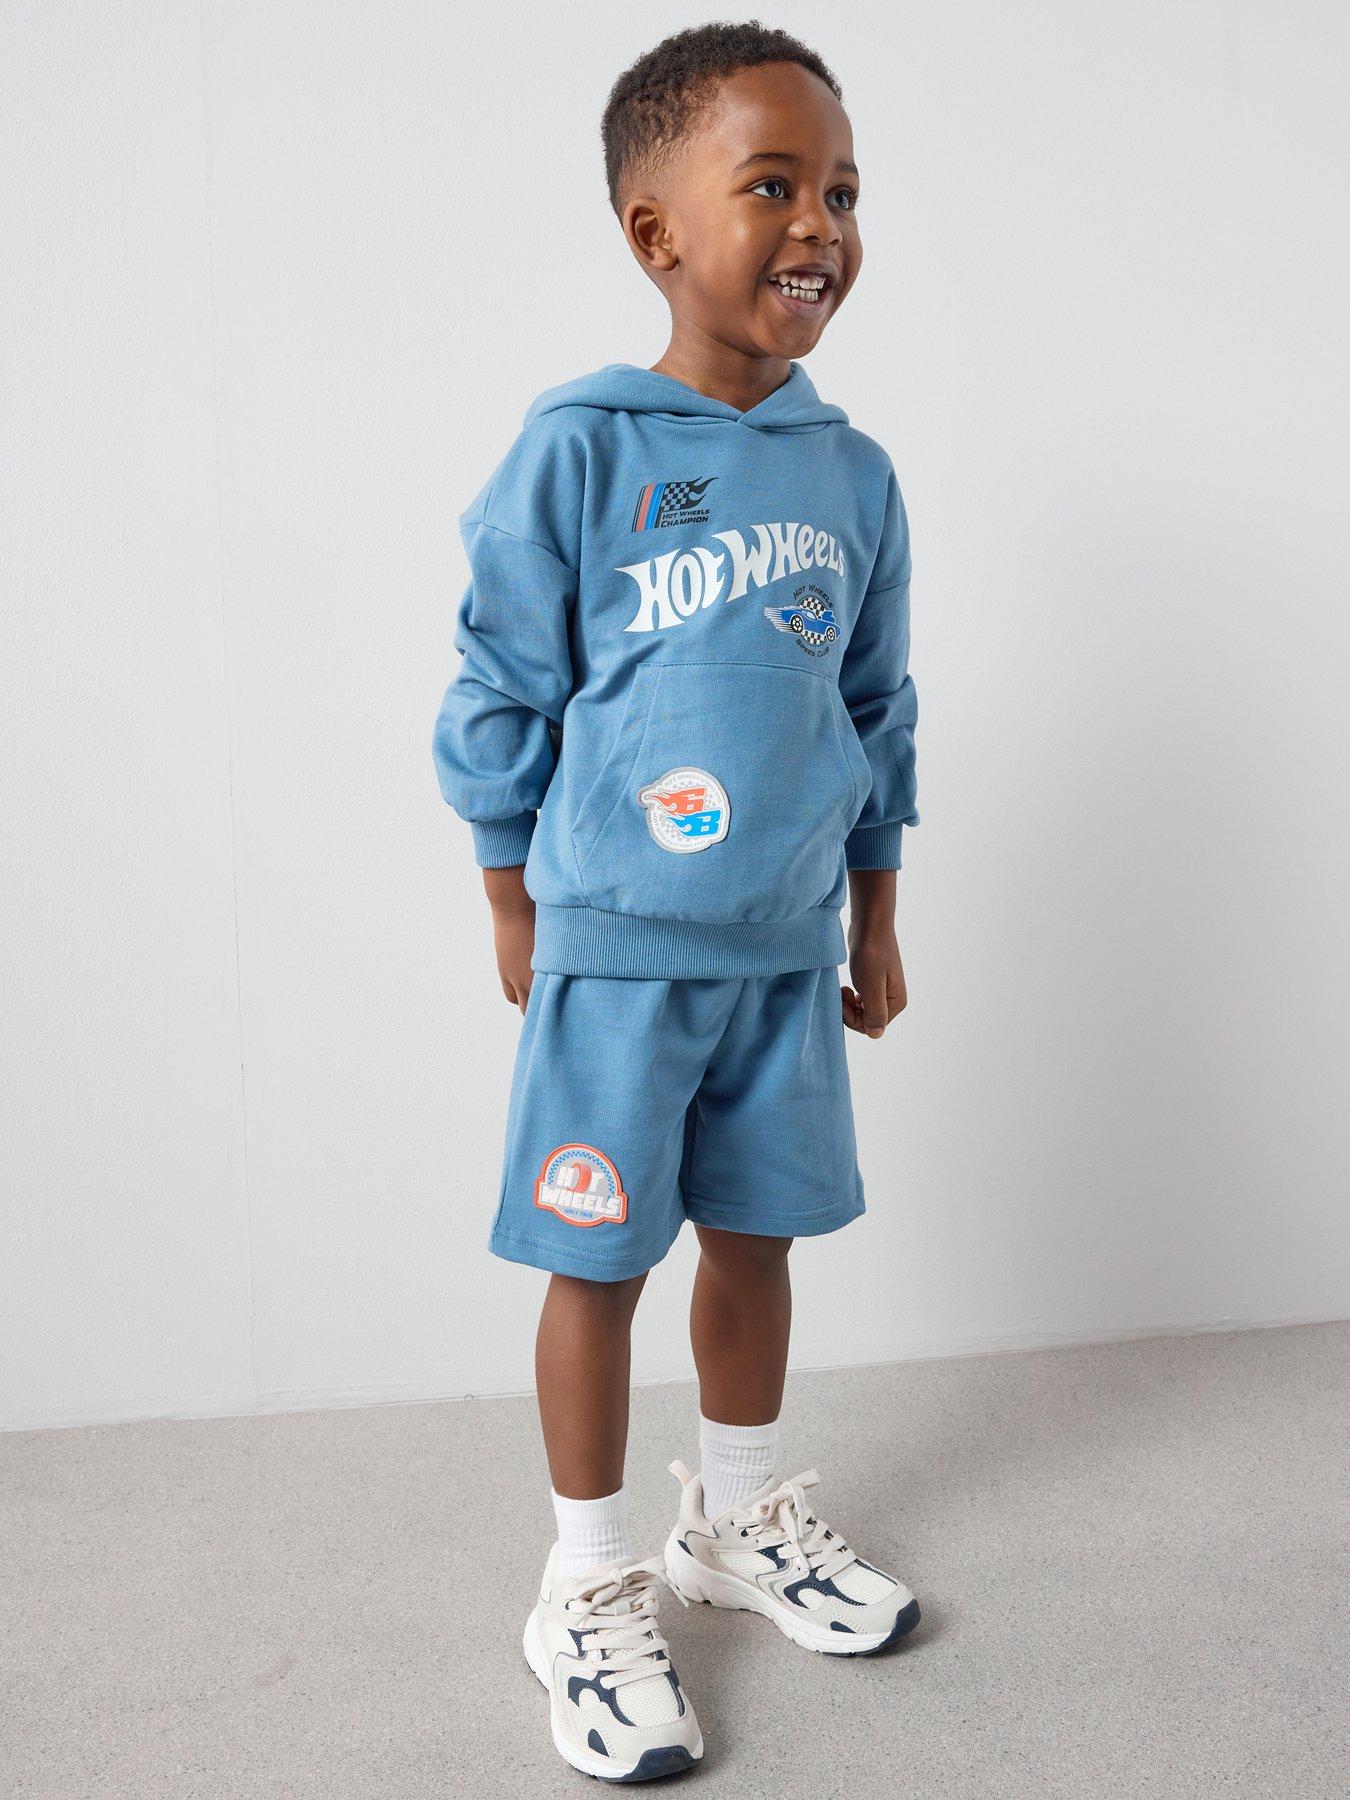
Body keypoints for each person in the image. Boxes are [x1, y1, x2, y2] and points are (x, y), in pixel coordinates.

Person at [432, 21, 921, 1782]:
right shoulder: (576, 450)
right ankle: (585, 1578)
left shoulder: (853, 474)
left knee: (755, 1241)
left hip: (783, 948)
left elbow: (875, 706)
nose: (819, 225)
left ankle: (730, 1521)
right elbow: (499, 680)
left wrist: (872, 910)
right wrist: (511, 895)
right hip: (618, 951)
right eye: (773, 185)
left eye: (842, 191)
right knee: (598, 1255)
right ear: (654, 233)